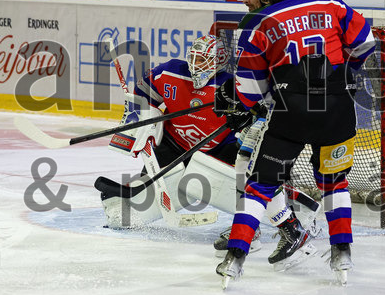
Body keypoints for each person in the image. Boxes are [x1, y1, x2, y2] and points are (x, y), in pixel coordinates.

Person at [215, 0, 375, 288]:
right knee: (335, 182)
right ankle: (342, 252)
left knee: (259, 185)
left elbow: (248, 91)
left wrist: (260, 102)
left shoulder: (260, 23)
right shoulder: (332, 5)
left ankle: (235, 258)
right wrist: (346, 74)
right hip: (336, 109)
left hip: (291, 112)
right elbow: (366, 43)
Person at [97, 35, 321, 236]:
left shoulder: (230, 86)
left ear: (218, 63)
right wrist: (142, 116)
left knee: (249, 180)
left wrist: (249, 126)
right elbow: (144, 92)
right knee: (150, 185)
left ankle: (292, 212)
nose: (196, 66)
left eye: (203, 60)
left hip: (219, 147)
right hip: (174, 143)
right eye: (194, 58)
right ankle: (128, 208)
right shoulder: (170, 72)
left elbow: (259, 116)